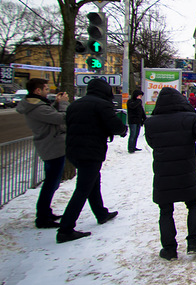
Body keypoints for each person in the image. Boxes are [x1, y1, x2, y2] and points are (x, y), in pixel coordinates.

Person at [144, 87, 196, 260]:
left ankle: (169, 249)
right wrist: (192, 136)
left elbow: (152, 143)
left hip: (163, 172)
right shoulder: (190, 118)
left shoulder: (151, 122)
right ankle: (194, 242)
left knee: (166, 211)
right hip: (186, 170)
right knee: (193, 205)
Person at [57, 78, 127, 243]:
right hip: (91, 151)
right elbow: (114, 125)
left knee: (93, 182)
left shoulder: (75, 104)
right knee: (83, 189)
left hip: (74, 150)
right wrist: (123, 129)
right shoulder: (102, 105)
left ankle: (101, 213)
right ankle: (65, 229)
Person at [16, 78, 69, 228]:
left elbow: (50, 114)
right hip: (52, 147)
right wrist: (63, 104)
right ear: (37, 91)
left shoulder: (37, 106)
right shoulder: (38, 108)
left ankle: (45, 212)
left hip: (51, 146)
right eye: (46, 89)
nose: (48, 91)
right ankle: (42, 217)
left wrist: (57, 103)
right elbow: (61, 118)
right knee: (51, 183)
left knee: (52, 182)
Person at [126, 89, 145, 153]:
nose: (140, 97)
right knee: (133, 134)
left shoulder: (139, 102)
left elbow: (141, 111)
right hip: (132, 120)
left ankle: (134, 146)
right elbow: (132, 106)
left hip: (138, 120)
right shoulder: (131, 101)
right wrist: (138, 101)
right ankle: (130, 148)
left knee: (136, 134)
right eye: (139, 96)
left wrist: (144, 118)